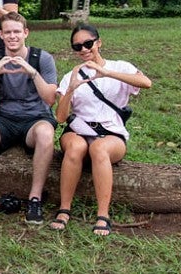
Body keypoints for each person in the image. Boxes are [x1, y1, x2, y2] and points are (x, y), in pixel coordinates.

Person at [50, 24, 151, 235]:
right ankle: (64, 209)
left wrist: (107, 73)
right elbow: (60, 118)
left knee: (99, 149)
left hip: (111, 133)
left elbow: (145, 83)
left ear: (99, 43)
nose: (84, 50)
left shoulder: (120, 67)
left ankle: (103, 214)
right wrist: (70, 90)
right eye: (77, 47)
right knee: (76, 147)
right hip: (78, 130)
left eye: (88, 44)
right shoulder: (72, 75)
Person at [0, 12, 58, 223]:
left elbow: (50, 99)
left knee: (46, 133)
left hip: (35, 119)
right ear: (1, 35)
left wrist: (32, 72)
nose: (12, 36)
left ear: (25, 33)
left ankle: (34, 198)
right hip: (3, 119)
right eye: (8, 32)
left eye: (17, 32)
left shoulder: (42, 58)